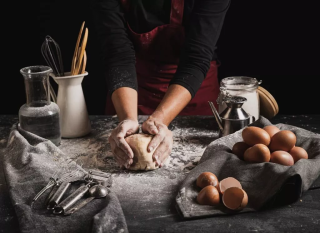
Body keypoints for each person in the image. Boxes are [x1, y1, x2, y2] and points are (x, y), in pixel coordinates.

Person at [92, 0, 231, 169]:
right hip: (133, 83)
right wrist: (128, 118)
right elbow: (117, 53)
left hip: (192, 86)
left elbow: (196, 58)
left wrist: (158, 120)